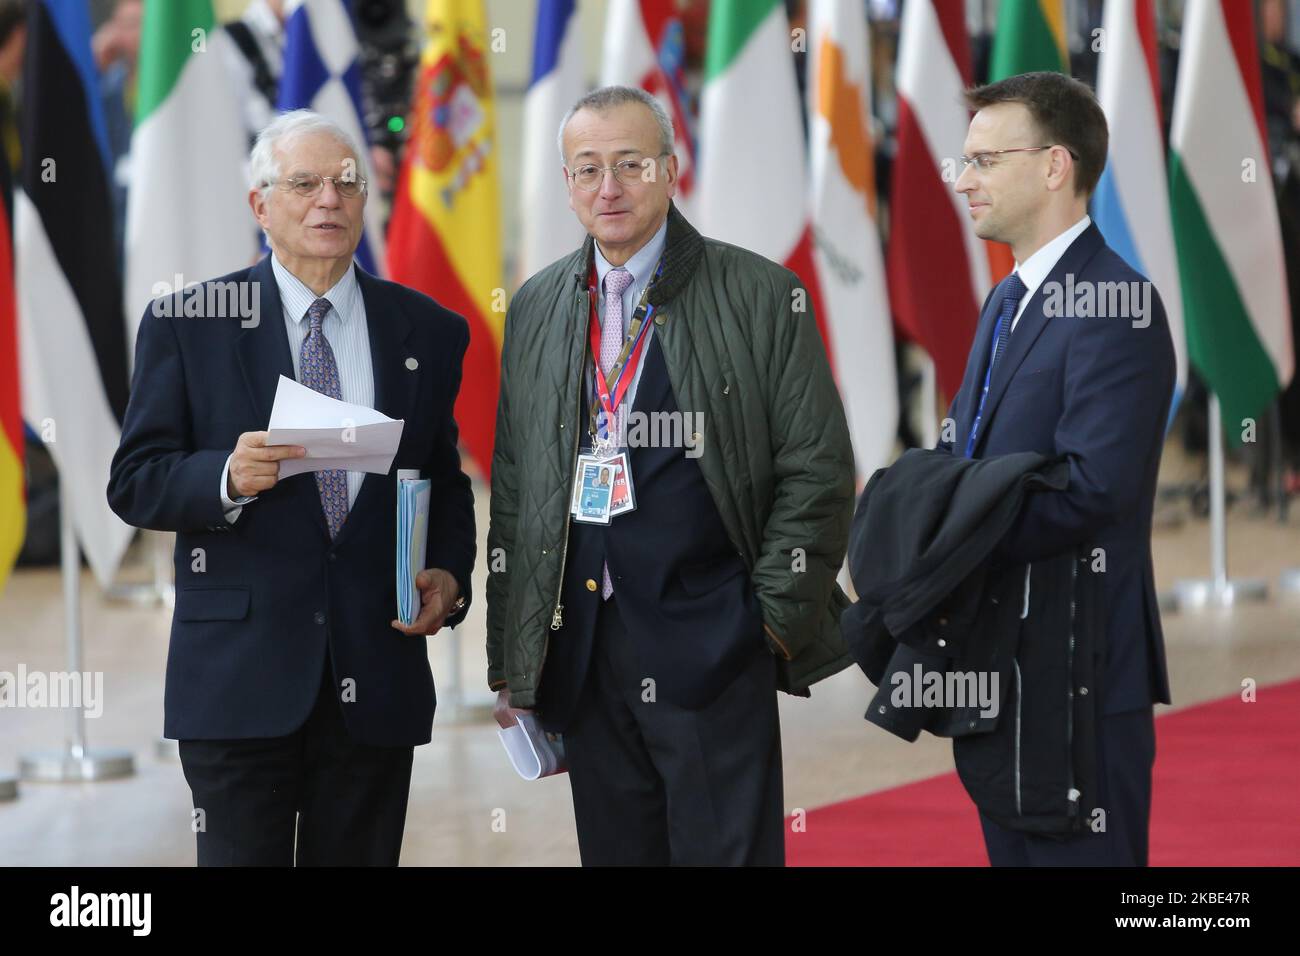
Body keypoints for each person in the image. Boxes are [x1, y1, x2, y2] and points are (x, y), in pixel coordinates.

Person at [486, 86, 856, 866]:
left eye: (630, 164)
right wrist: (512, 659)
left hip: (714, 641)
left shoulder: (760, 295)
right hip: (581, 650)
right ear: (566, 183)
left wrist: (767, 624)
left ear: (671, 168)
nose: (609, 188)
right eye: (587, 170)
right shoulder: (537, 307)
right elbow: (517, 492)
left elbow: (817, 473)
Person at [107, 110, 475, 866]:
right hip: (239, 685)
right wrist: (223, 478)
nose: (328, 202)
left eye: (346, 183)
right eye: (304, 184)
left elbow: (440, 475)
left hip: (375, 678)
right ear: (260, 206)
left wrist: (451, 575)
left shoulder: (428, 330)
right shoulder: (188, 323)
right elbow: (135, 482)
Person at [947, 71, 1175, 865]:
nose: (963, 178)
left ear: (1054, 166)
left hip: (1079, 675)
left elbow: (1093, 489)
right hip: (1000, 673)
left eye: (984, 160)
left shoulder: (1120, 305)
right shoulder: (1008, 300)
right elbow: (967, 451)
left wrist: (950, 526)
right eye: (964, 159)